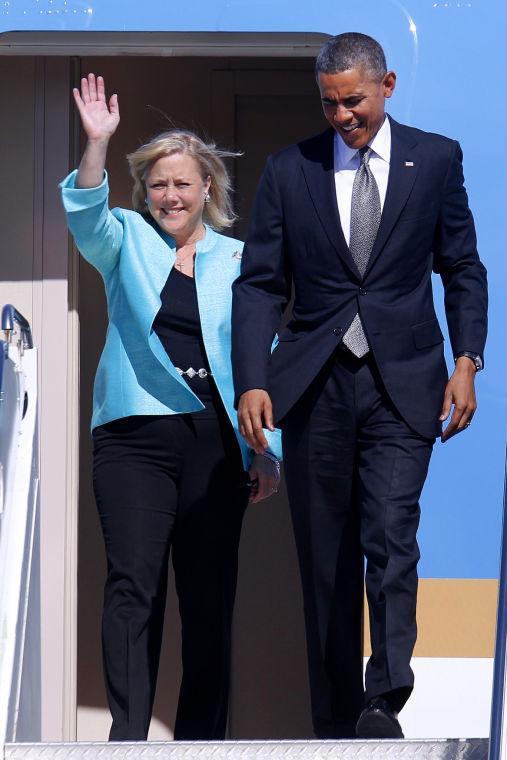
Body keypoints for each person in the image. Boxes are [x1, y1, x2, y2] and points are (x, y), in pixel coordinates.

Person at [232, 32, 487, 740]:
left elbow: (461, 267)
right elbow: (257, 287)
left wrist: (467, 359)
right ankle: (334, 718)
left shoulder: (433, 159)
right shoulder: (289, 171)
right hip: (313, 388)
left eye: (353, 101)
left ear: (387, 85)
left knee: (389, 533)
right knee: (326, 559)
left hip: (403, 384)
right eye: (329, 104)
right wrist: (252, 379)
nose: (342, 116)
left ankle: (384, 699)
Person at [60, 73, 281, 741]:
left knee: (207, 599)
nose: (169, 195)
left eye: (182, 183)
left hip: (214, 443)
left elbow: (260, 362)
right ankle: (127, 736)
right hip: (133, 437)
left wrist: (267, 450)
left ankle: (199, 743)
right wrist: (96, 143)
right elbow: (85, 214)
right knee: (134, 584)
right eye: (157, 184)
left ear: (206, 188)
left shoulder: (241, 260)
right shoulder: (124, 237)